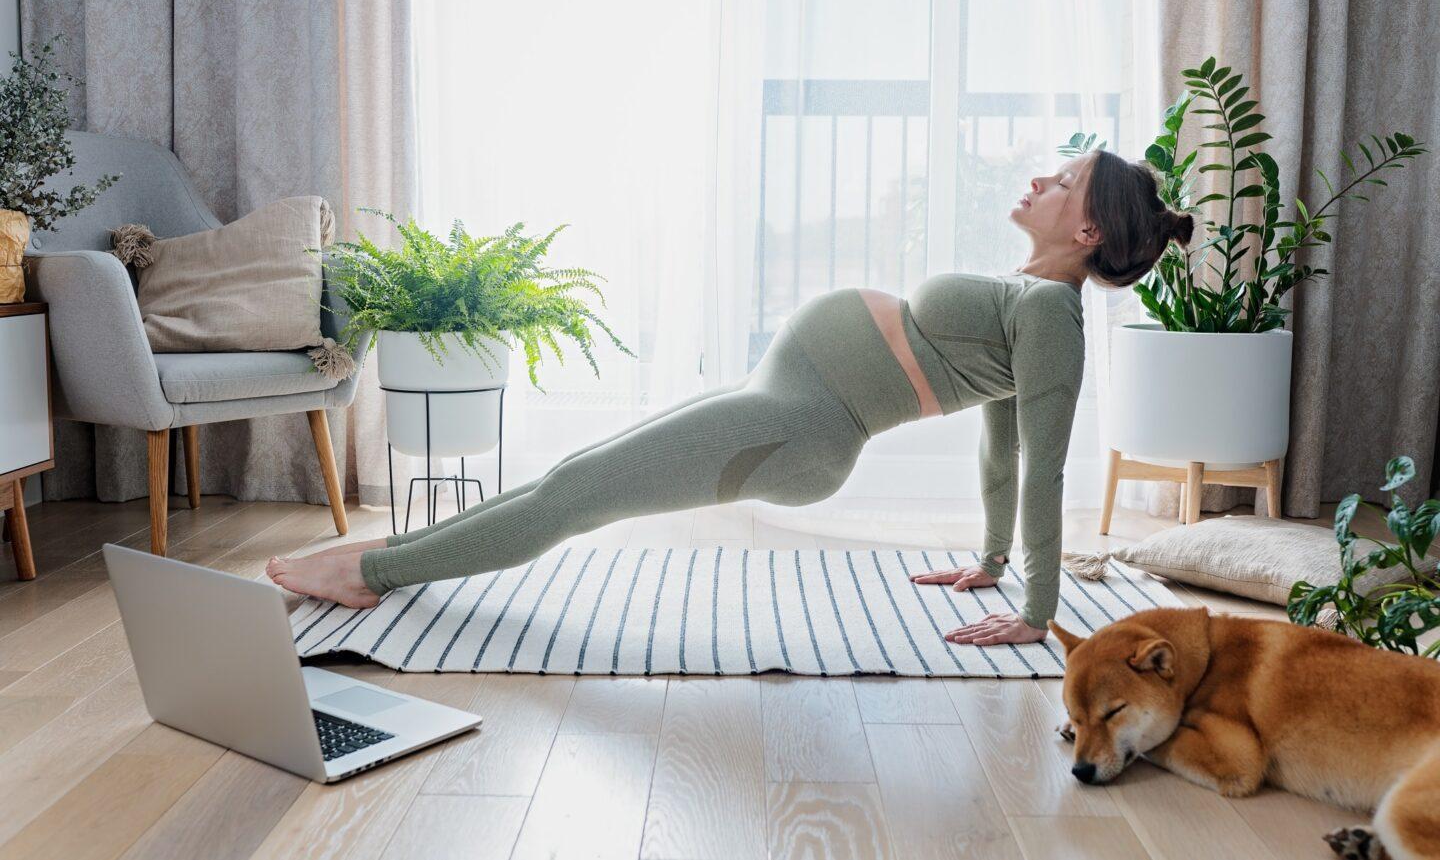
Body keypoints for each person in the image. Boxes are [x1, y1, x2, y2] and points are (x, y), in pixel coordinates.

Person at [267, 148, 1194, 647]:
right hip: (784, 400)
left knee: (577, 497)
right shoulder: (1027, 297)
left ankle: (370, 576)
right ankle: (392, 552)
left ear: (1088, 226)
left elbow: (1041, 460)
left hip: (798, 432)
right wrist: (986, 558)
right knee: (573, 472)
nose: (1038, 177)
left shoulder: (1052, 319)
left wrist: (1033, 605)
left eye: (1062, 180)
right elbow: (996, 444)